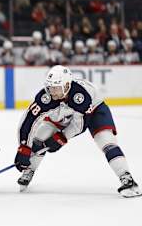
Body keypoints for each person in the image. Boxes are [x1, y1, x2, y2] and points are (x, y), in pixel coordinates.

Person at [14, 65, 140, 198]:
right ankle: (29, 170)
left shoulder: (81, 95)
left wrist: (62, 137)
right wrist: (24, 147)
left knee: (107, 142)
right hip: (63, 114)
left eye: (56, 88)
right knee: (40, 137)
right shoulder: (46, 97)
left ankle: (127, 178)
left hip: (95, 111)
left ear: (67, 85)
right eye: (50, 88)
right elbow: (28, 121)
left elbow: (80, 125)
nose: (52, 92)